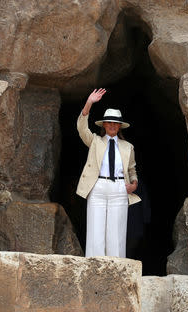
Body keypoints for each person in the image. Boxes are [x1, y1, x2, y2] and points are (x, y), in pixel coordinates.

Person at [76, 88, 141, 258]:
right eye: (109, 122)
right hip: (97, 187)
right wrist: (89, 103)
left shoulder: (128, 147)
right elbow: (82, 128)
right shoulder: (95, 142)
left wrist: (134, 184)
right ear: (104, 124)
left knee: (117, 234)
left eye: (115, 123)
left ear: (119, 126)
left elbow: (132, 169)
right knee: (95, 233)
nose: (112, 125)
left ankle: (117, 269)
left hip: (119, 188)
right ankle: (94, 269)